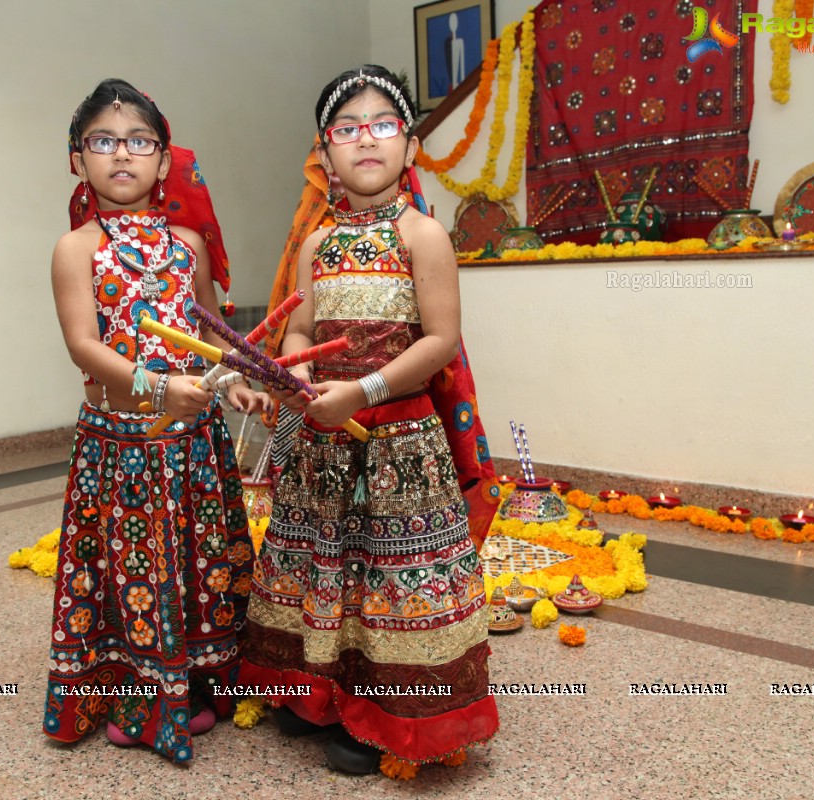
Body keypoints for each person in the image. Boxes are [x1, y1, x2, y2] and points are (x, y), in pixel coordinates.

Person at [240, 65, 499, 776]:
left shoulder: (423, 237)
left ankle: (391, 712)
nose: (365, 141)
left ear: (410, 148)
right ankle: (316, 693)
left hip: (400, 443)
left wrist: (366, 391)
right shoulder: (315, 245)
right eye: (346, 129)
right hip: (324, 440)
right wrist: (293, 367)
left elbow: (439, 341)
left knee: (388, 575)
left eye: (383, 125)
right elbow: (298, 330)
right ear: (324, 154)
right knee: (322, 561)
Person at [43, 78, 265, 764]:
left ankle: (198, 684)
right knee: (132, 569)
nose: (122, 155)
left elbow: (211, 329)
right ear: (77, 158)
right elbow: (83, 344)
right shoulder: (75, 248)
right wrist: (156, 387)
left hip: (193, 442)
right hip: (123, 445)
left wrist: (237, 381)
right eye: (102, 141)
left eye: (140, 141)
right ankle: (138, 695)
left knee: (199, 565)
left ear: (165, 161)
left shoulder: (188, 244)